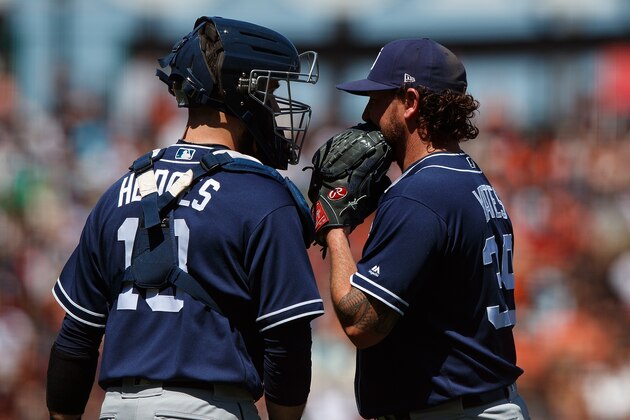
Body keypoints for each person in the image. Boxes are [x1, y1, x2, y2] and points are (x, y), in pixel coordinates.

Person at [46, 16, 324, 420]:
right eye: (271, 89)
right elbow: (288, 345)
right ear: (238, 93)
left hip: (117, 410)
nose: (278, 106)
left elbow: (75, 341)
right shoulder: (262, 195)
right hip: (207, 407)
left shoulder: (118, 191)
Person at [321, 38, 531, 419]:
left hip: (453, 410)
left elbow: (361, 323)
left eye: (377, 99)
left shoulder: (421, 193)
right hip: (482, 403)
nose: (367, 113)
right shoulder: (468, 177)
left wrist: (334, 227)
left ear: (411, 102)